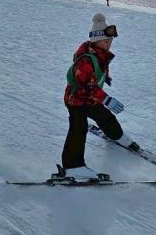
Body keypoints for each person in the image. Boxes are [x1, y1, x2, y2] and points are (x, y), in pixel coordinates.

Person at [59, 13, 140, 180]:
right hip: (76, 100)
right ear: (95, 40)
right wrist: (106, 99)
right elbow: (86, 85)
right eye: (105, 41)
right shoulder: (86, 60)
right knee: (78, 128)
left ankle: (117, 136)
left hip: (90, 99)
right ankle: (73, 166)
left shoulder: (99, 53)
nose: (109, 44)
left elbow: (98, 70)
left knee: (106, 117)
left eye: (110, 41)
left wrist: (105, 78)